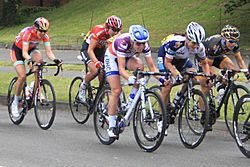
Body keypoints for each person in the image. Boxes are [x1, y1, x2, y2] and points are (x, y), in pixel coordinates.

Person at [104, 25, 167, 137]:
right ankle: (112, 126)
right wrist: (129, 78)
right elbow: (121, 69)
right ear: (132, 41)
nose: (141, 47)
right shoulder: (122, 42)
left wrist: (162, 79)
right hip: (112, 58)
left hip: (127, 57)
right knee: (116, 90)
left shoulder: (144, 45)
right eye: (138, 44)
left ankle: (132, 98)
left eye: (144, 43)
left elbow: (152, 67)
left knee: (140, 67)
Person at [10, 17, 63, 118]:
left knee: (39, 61)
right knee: (22, 76)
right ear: (35, 28)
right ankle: (15, 101)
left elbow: (48, 51)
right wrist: (30, 60)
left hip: (31, 50)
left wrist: (55, 60)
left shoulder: (45, 36)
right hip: (18, 51)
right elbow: (24, 53)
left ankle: (33, 86)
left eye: (45, 31)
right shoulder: (28, 33)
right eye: (41, 31)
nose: (43, 33)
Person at [157, 22, 210, 114]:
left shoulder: (200, 47)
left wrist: (208, 77)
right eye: (193, 43)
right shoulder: (176, 43)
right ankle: (161, 117)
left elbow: (205, 63)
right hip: (165, 57)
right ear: (187, 38)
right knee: (167, 85)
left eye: (198, 43)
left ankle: (178, 98)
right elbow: (167, 62)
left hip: (181, 59)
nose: (195, 46)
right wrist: (176, 74)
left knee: (192, 79)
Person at [77, 15, 122, 102]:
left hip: (100, 50)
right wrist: (96, 62)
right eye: (114, 30)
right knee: (95, 70)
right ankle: (82, 87)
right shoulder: (99, 31)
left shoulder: (114, 34)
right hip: (88, 49)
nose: (116, 32)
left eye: (118, 30)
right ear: (108, 27)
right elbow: (90, 50)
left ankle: (100, 100)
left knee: (103, 75)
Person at [196, 25, 250, 96]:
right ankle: (202, 105)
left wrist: (247, 74)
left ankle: (221, 89)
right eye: (231, 41)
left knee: (232, 68)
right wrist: (218, 77)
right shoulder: (215, 46)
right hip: (204, 59)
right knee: (207, 86)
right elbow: (207, 66)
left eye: (235, 41)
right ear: (224, 39)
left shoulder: (233, 44)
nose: (233, 44)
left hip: (217, 55)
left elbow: (240, 60)